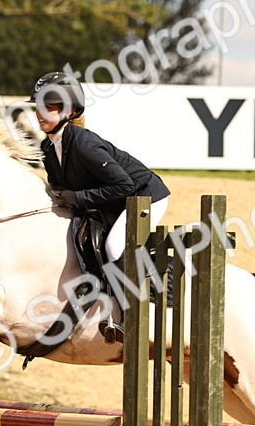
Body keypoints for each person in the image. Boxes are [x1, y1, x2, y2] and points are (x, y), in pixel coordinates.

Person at [33, 71, 170, 342]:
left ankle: (129, 318)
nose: (40, 113)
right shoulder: (48, 148)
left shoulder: (84, 144)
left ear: (70, 111)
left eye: (50, 107)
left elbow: (124, 185)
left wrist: (77, 198)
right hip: (112, 200)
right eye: (38, 106)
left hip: (144, 196)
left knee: (113, 247)